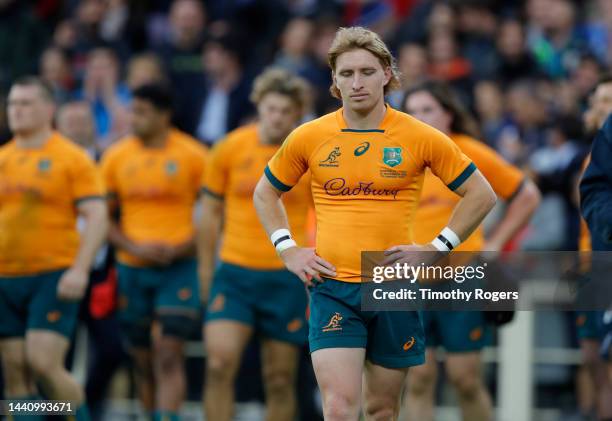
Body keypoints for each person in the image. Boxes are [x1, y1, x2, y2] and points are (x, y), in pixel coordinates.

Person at [253, 27, 497, 420]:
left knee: (382, 409)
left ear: (386, 73)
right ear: (334, 80)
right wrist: (287, 249)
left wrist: (437, 248)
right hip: (332, 285)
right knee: (337, 409)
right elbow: (265, 192)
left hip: (393, 286)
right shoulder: (310, 136)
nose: (357, 82)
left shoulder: (419, 136)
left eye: (367, 71)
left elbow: (482, 194)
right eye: (346, 73)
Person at [401, 81, 541, 421]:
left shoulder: (469, 152)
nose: (419, 118)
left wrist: (494, 245)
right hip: (410, 280)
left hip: (462, 276)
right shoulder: (397, 155)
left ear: (448, 115)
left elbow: (527, 195)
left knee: (465, 378)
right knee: (418, 377)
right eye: (412, 111)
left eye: (427, 109)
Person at [199, 67, 311, 421]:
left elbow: (324, 217)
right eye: (270, 108)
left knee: (279, 379)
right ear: (259, 106)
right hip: (234, 274)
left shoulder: (308, 154)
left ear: (297, 114)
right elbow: (209, 214)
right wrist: (205, 270)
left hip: (287, 278)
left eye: (285, 111)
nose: (277, 117)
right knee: (218, 365)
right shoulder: (229, 147)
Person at [0, 76, 108, 420]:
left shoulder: (71, 158)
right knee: (16, 372)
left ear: (49, 109)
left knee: (43, 363)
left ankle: (80, 415)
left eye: (26, 103)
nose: (17, 111)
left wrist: (80, 268)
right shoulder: (2, 158)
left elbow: (97, 214)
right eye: (13, 104)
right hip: (5, 276)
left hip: (53, 274)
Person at [100, 83, 207, 421]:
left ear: (164, 115)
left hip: (179, 266)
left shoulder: (193, 155)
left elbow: (211, 213)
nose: (134, 119)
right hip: (132, 267)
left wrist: (182, 247)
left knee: (169, 352)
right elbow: (102, 217)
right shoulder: (116, 156)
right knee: (142, 358)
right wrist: (133, 246)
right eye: (133, 111)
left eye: (142, 112)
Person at [576, 74, 612, 421]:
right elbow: (593, 196)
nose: (604, 105)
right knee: (595, 362)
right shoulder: (593, 152)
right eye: (599, 99)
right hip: (596, 266)